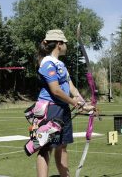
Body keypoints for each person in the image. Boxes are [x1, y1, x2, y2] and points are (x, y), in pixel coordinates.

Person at [35, 29, 95, 177]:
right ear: (59, 44)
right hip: (50, 110)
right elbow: (55, 90)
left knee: (62, 147)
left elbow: (72, 88)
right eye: (65, 43)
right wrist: (75, 104)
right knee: (45, 148)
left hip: (62, 110)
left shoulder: (60, 64)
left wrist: (84, 104)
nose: (67, 46)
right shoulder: (47, 63)